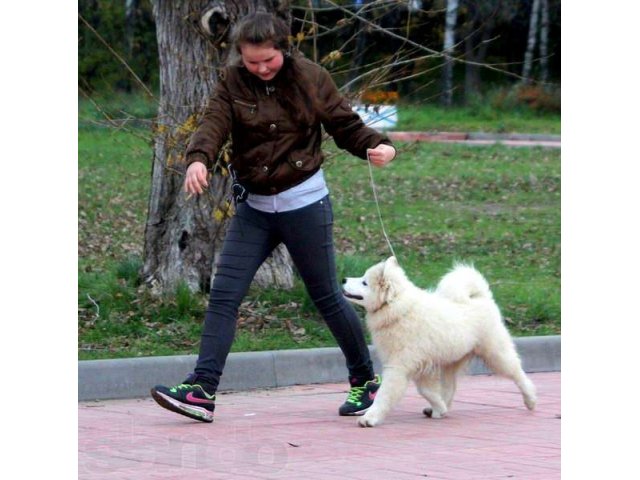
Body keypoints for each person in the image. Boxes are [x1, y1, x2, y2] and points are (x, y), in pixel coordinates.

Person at [151, 11, 396, 423]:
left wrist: (378, 145)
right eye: (252, 62)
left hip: (306, 206)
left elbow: (345, 124)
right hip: (256, 211)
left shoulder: (311, 78)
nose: (261, 68)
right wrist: (198, 160)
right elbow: (212, 124)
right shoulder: (232, 83)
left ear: (284, 48)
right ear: (240, 58)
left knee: (327, 298)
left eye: (268, 59)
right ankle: (201, 390)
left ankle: (366, 383)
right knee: (225, 294)